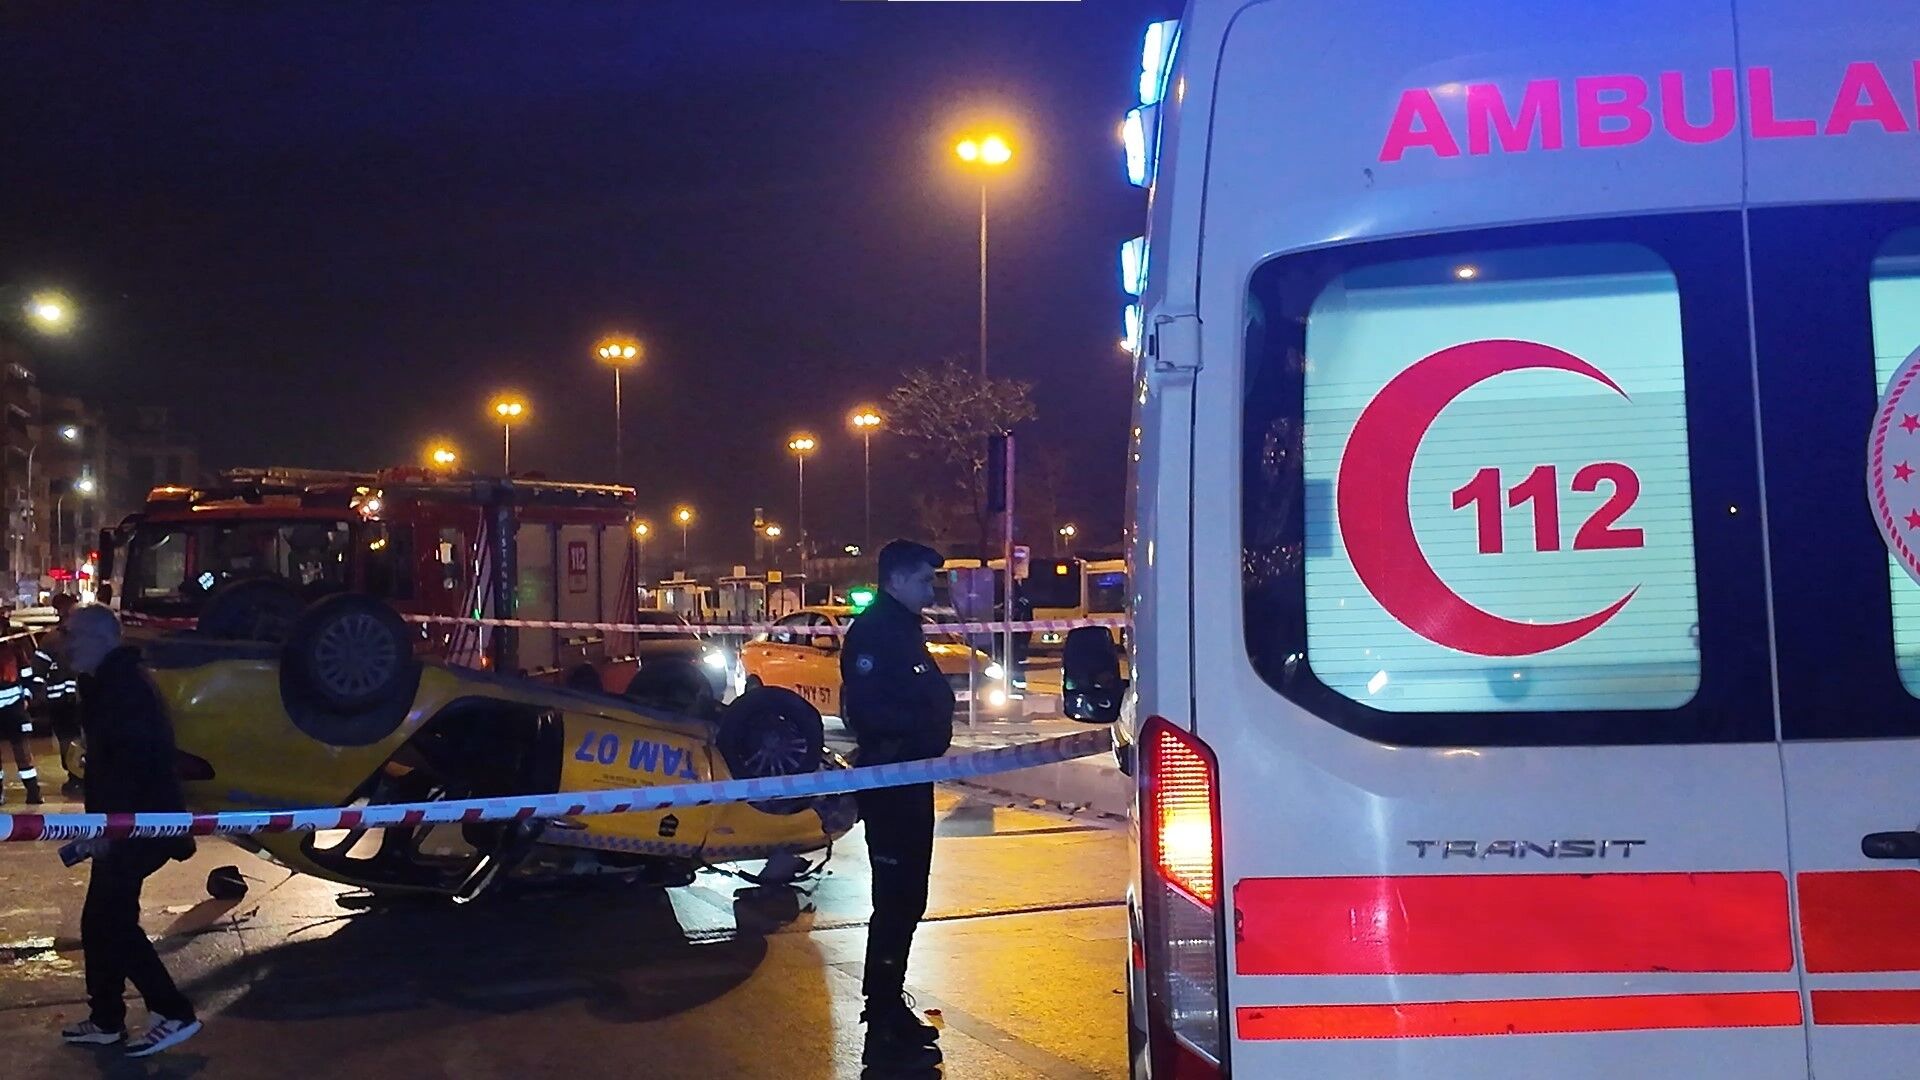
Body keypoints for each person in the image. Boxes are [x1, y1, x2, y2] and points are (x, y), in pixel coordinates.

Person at [58, 605, 202, 1058]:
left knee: (112, 923)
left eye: (72, 635)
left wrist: (109, 828)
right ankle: (106, 1019)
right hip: (123, 825)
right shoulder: (105, 684)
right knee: (99, 921)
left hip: (140, 826)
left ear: (101, 639)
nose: (66, 644)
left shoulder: (123, 689)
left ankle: (173, 1012)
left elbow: (132, 766)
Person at [840, 539, 955, 1071]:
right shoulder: (875, 632)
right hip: (892, 785)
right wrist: (919, 733)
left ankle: (890, 1004)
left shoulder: (904, 629)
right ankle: (881, 1017)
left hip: (912, 781)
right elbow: (870, 712)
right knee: (894, 901)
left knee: (908, 899)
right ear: (898, 580)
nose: (931, 591)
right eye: (925, 581)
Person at [40, 593, 83, 798]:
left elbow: (38, 671)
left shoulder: (51, 640)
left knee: (68, 739)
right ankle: (78, 776)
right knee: (77, 738)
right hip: (78, 699)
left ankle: (76, 777)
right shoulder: (83, 638)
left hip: (63, 701)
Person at [0, 631, 42, 806]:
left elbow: (28, 676)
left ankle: (33, 792)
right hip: (13, 710)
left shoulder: (14, 649)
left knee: (23, 753)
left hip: (14, 710)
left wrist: (27, 697)